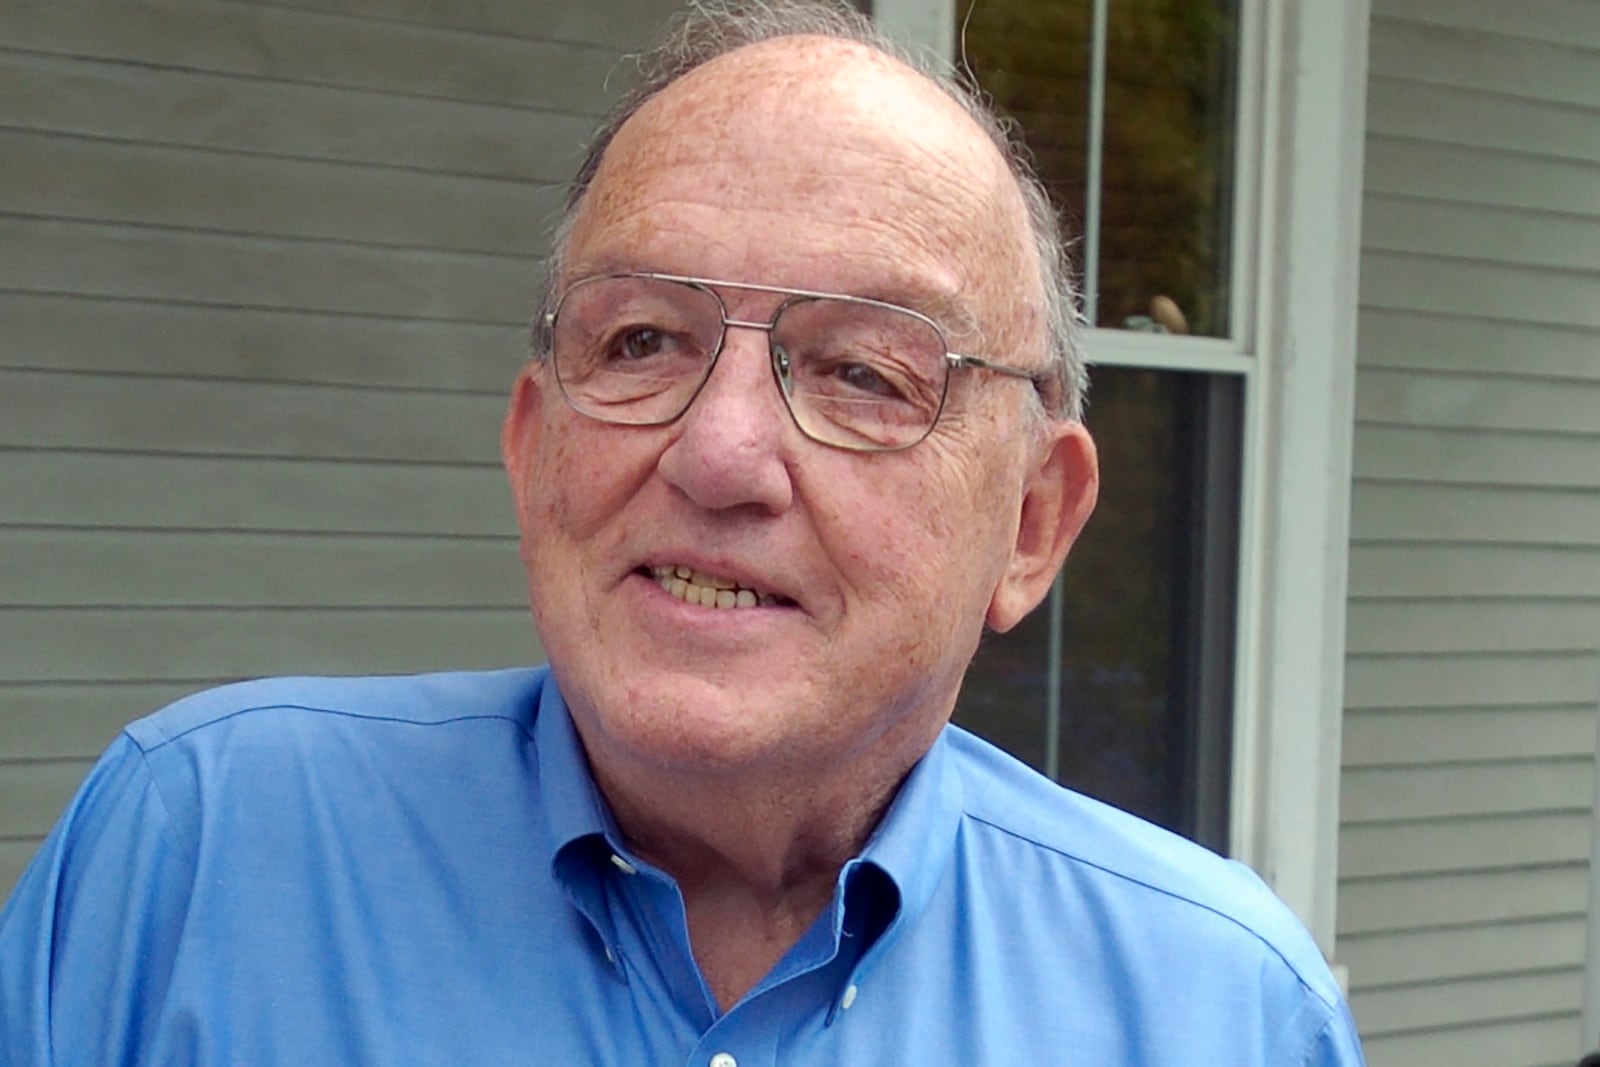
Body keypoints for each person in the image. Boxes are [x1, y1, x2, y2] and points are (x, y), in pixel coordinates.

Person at [0, 1, 1365, 1063]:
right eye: (643, 340)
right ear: (535, 447)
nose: (718, 455)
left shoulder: (1224, 1016)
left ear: (1032, 522)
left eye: (862, 375)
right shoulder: (196, 853)